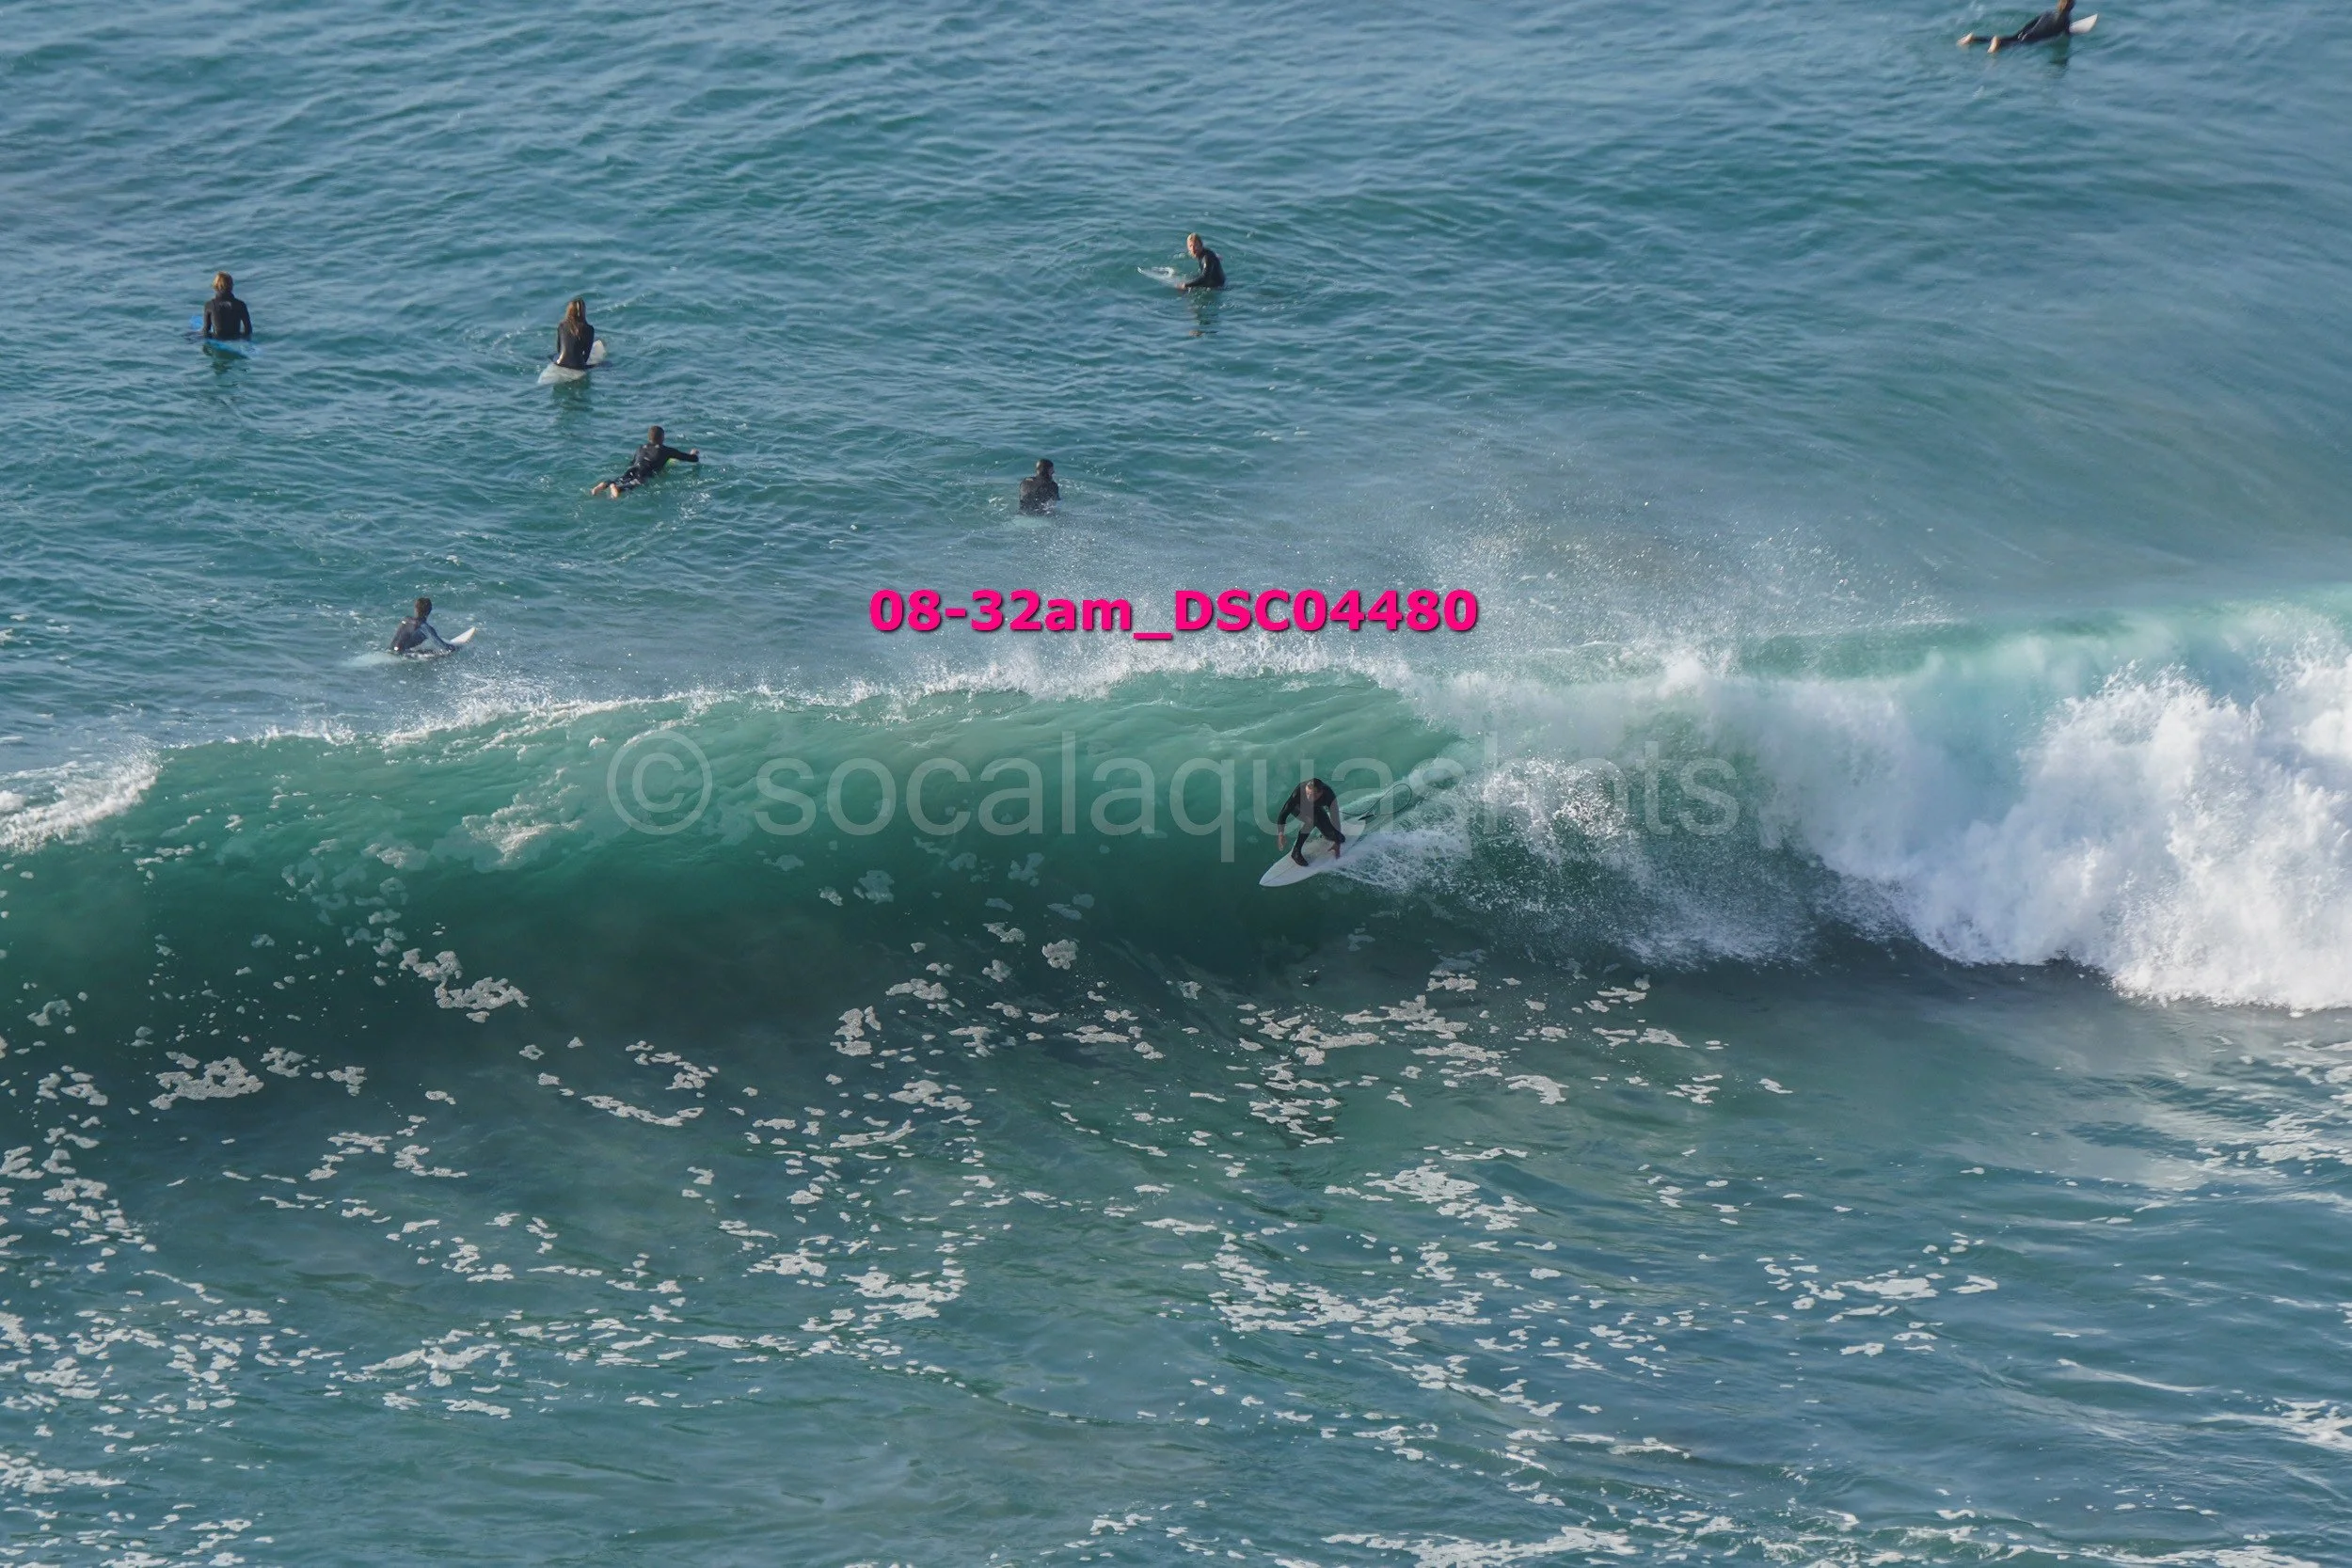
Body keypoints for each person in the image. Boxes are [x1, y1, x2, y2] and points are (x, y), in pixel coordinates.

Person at [591, 425, 700, 497]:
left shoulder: (640, 448)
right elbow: (692, 459)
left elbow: (632, 462)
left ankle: (603, 485)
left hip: (634, 468)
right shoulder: (666, 450)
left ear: (649, 438)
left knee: (622, 478)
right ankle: (617, 489)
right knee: (636, 483)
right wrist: (693, 453)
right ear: (662, 438)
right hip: (644, 472)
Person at [1276, 778, 1344, 866]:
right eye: (1307, 793)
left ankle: (1325, 834)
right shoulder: (1299, 791)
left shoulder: (1329, 796)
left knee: (1340, 838)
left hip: (1315, 808)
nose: (1308, 797)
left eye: (1312, 795)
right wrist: (1281, 833)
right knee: (1312, 820)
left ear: (1320, 793)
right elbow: (1284, 812)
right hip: (1298, 808)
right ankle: (1296, 852)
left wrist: (1337, 843)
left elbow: (1335, 820)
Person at [1961, 0, 2074, 52]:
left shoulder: (2047, 13)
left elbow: (2031, 24)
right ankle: (1999, 43)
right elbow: (2067, 33)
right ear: (2071, 6)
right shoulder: (2066, 19)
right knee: (2014, 45)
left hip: (2025, 32)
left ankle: (1974, 38)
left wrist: (2022, 31)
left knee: (2011, 38)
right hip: (2033, 37)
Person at [390, 596, 455, 656]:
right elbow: (444, 647)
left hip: (390, 651)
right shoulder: (424, 627)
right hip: (402, 655)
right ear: (429, 611)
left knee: (425, 651)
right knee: (439, 654)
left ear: (415, 609)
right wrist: (455, 648)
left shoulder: (406, 619)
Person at [202, 272, 252, 340]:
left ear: (216, 286)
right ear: (231, 286)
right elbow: (248, 330)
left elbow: (206, 330)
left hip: (218, 339)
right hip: (235, 338)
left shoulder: (209, 305)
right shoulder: (241, 304)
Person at [553, 297, 596, 371]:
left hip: (560, 363)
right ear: (583, 311)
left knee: (551, 356)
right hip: (578, 365)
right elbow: (587, 354)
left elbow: (559, 348)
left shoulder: (561, 325)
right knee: (607, 364)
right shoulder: (589, 329)